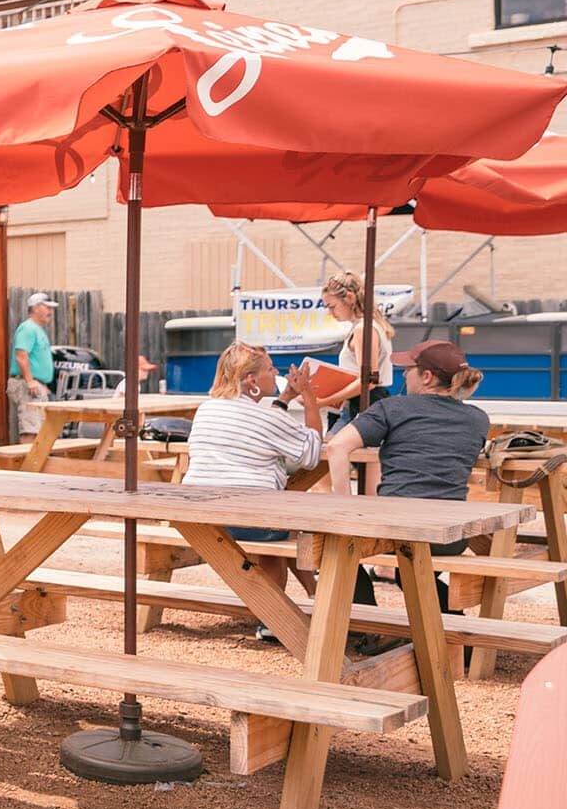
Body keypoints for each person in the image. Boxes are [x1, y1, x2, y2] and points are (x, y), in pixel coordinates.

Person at [325, 340, 490, 622]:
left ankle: (369, 628)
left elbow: (336, 447)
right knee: (410, 573)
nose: (403, 375)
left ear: (427, 376)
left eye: (409, 369)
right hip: (450, 536)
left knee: (336, 550)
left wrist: (344, 507)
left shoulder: (394, 408)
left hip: (397, 530)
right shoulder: (477, 418)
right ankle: (454, 629)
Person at [181, 342, 325, 639]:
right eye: (271, 369)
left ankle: (312, 595)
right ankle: (278, 616)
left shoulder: (205, 409)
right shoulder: (267, 418)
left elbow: (262, 426)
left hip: (199, 516)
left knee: (279, 518)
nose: (278, 373)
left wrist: (285, 397)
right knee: (284, 527)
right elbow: (310, 455)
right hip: (246, 519)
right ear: (251, 381)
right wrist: (309, 398)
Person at [313, 270, 394, 429]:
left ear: (349, 298)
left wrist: (324, 401)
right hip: (364, 401)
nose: (331, 313)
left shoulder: (363, 329)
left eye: (332, 306)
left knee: (334, 448)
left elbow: (368, 380)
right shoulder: (369, 326)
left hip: (361, 404)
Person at [9, 292, 58, 442]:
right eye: (47, 307)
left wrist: (42, 384)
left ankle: (34, 464)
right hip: (27, 385)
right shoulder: (28, 328)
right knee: (30, 429)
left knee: (39, 428)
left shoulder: (37, 329)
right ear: (35, 308)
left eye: (52, 308)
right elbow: (21, 355)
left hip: (36, 385)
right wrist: (30, 381)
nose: (51, 311)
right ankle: (26, 465)